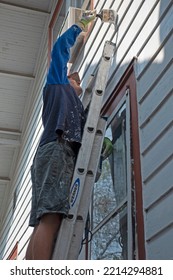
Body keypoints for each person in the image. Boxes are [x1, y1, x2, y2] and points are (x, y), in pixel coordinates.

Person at [25, 10, 113, 260]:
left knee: (43, 219)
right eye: (74, 79)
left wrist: (104, 142)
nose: (78, 82)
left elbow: (87, 133)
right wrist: (81, 25)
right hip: (55, 150)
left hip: (52, 153)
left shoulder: (74, 107)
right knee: (51, 217)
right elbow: (60, 50)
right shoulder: (56, 86)